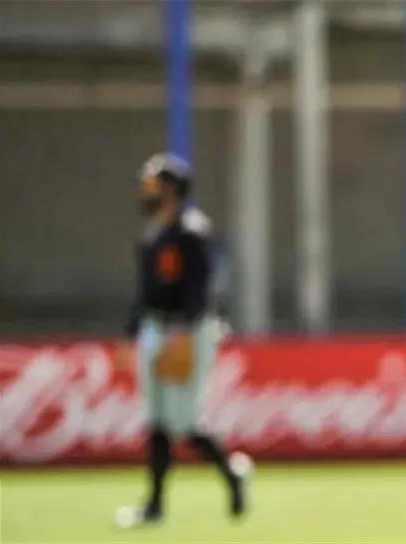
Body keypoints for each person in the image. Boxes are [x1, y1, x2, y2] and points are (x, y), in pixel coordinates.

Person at [114, 152, 251, 528]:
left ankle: (232, 475)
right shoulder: (153, 236)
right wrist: (129, 335)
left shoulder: (193, 232)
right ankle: (155, 506)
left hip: (190, 330)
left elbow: (201, 289)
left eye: (154, 183)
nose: (147, 191)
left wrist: (184, 332)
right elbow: (144, 294)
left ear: (171, 189)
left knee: (183, 421)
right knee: (157, 420)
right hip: (157, 329)